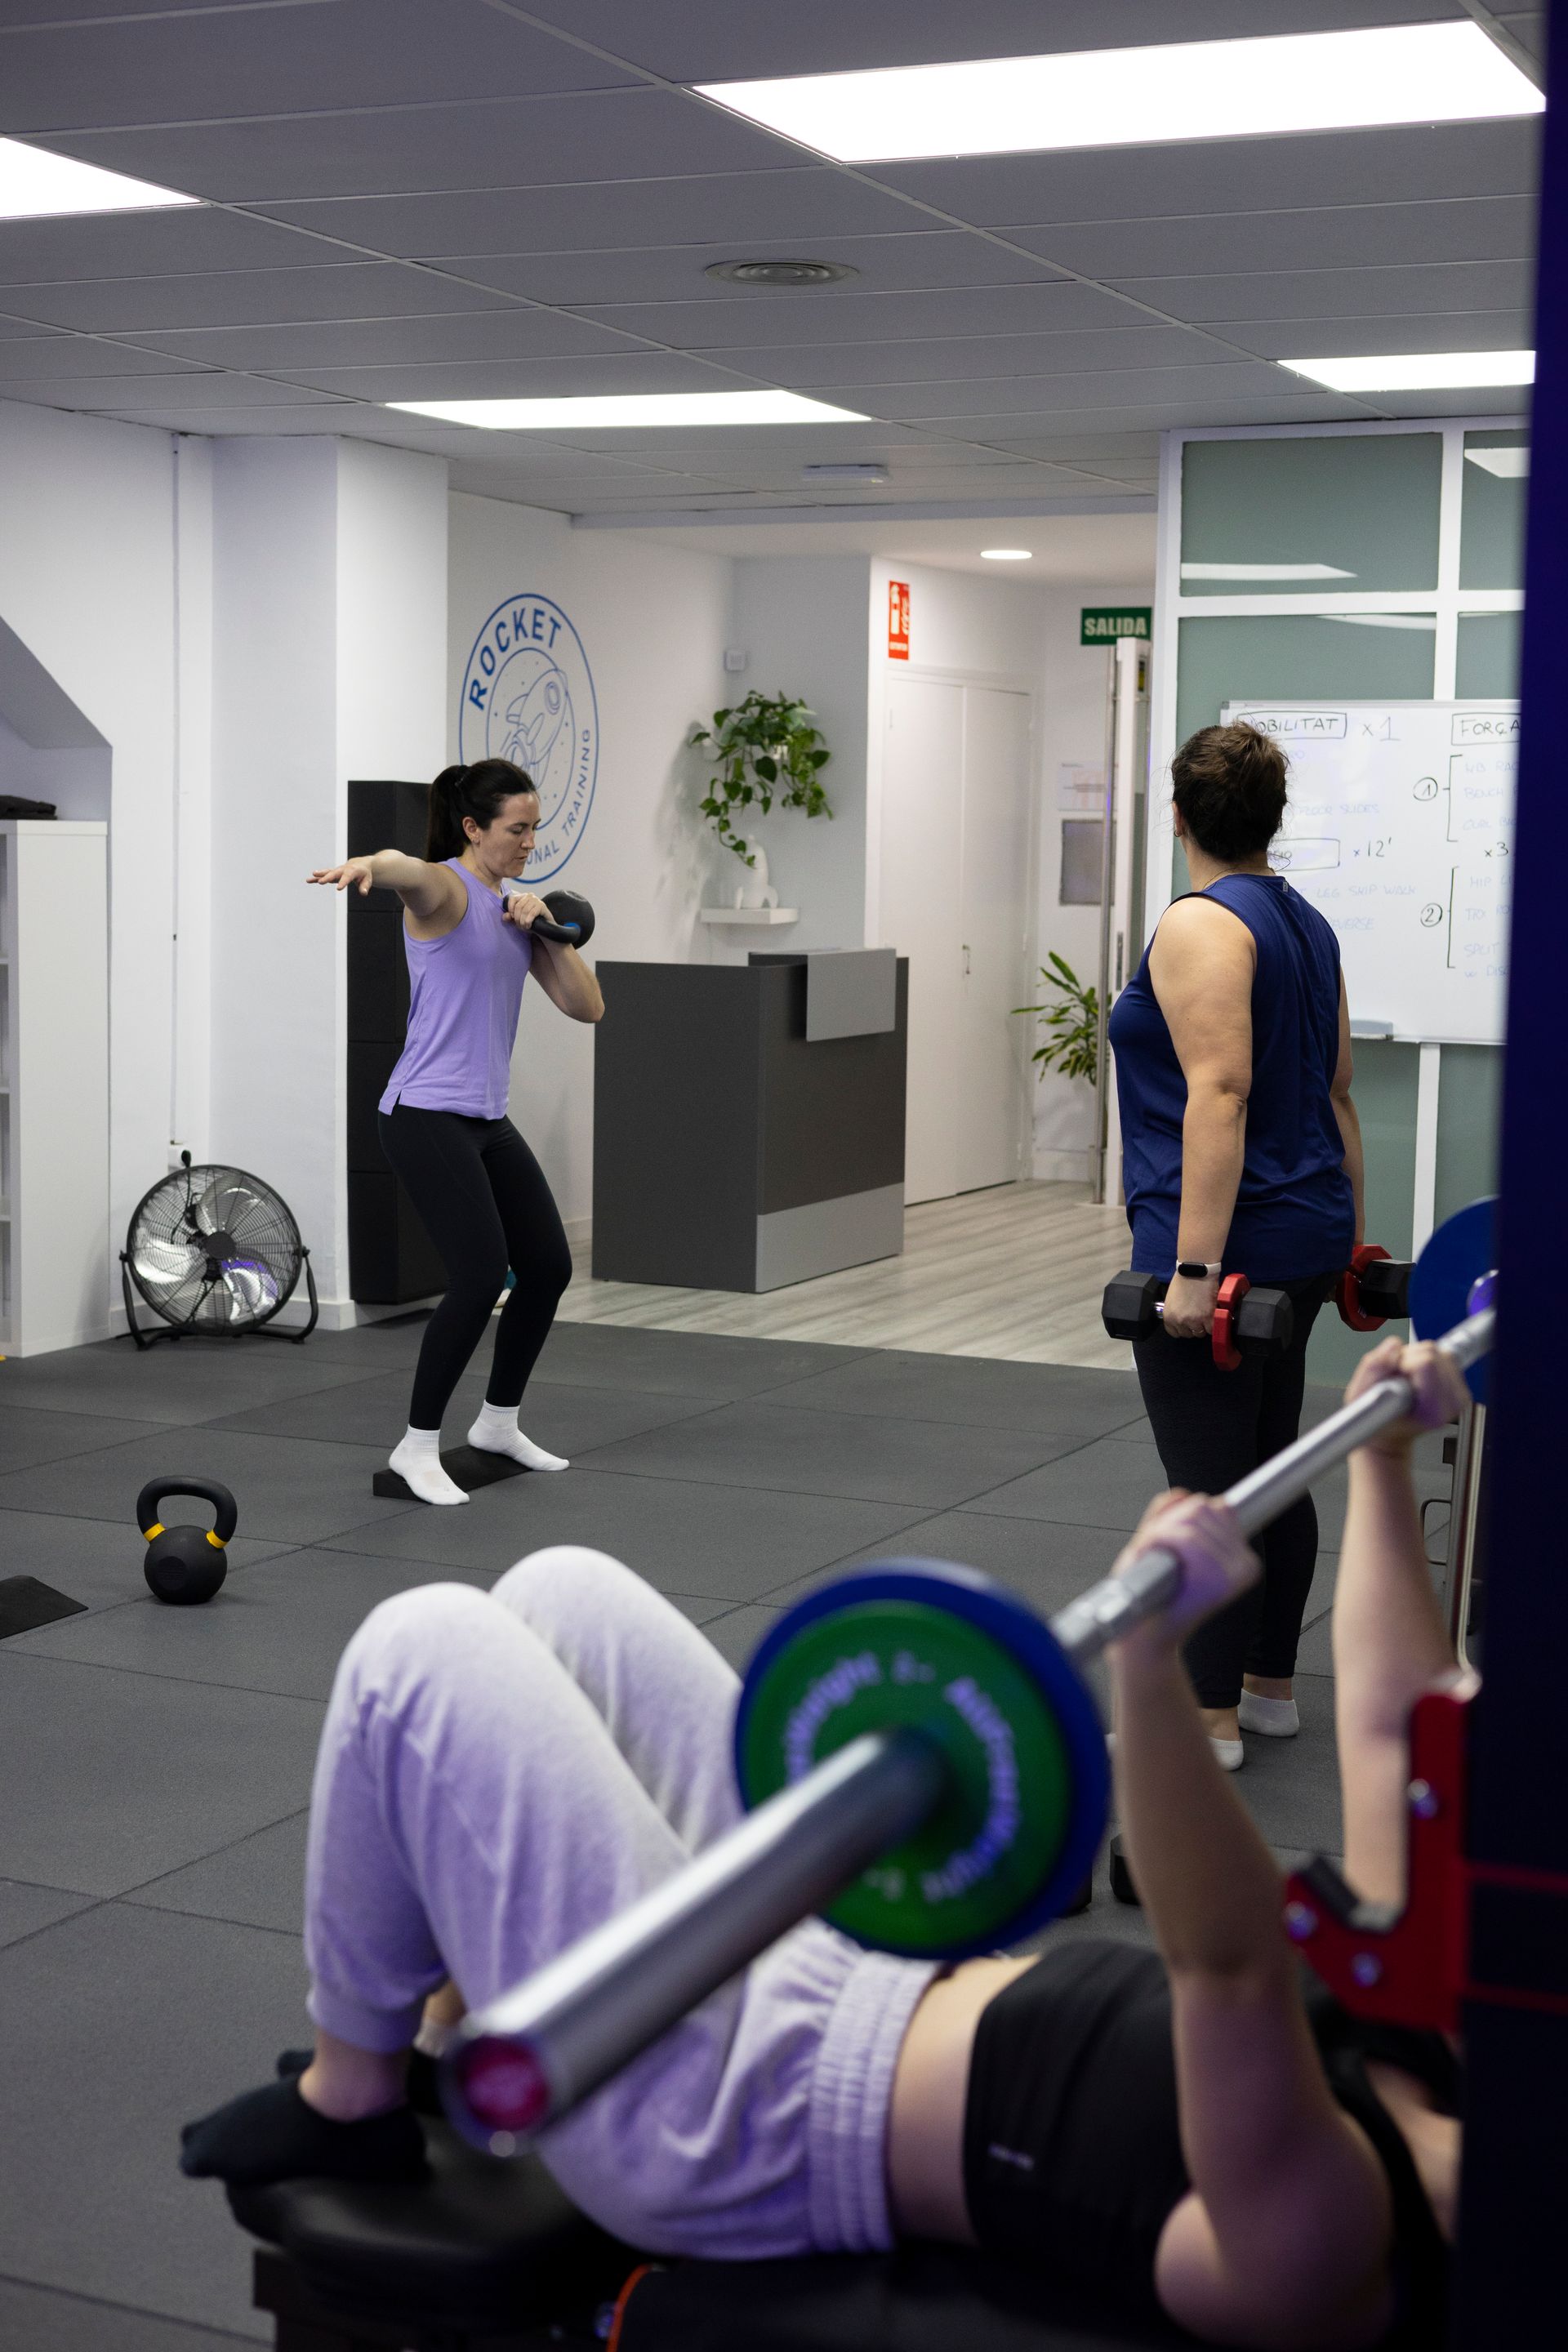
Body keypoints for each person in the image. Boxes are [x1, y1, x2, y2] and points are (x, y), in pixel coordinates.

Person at [182, 1338, 1463, 2350]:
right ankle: (448, 2022)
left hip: (744, 2108)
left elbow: (1227, 1967)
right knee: (560, 1592)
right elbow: (1398, 1738)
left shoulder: (1331, 2256)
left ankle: (349, 2099)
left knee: (421, 1651)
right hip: (876, 1949)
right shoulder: (1444, 2048)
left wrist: (1148, 1665)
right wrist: (1384, 1466)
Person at [1107, 721, 1363, 1767]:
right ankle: (1267, 1687)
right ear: (1273, 820)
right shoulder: (1308, 925)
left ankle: (1208, 1721)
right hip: (1303, 1231)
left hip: (1226, 1244)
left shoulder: (1201, 926)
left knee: (1205, 1491)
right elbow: (1340, 1091)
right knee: (1270, 1468)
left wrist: (1195, 1276)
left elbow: (1220, 1089)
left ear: (1178, 819)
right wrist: (1353, 1225)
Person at [309, 760, 603, 1507]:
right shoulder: (447, 890)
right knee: (479, 1274)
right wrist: (366, 863)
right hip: (422, 1113)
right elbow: (404, 868)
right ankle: (415, 1446)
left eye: (535, 827)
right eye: (517, 828)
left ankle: (498, 1424)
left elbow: (588, 1008)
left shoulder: (513, 911)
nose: (531, 841)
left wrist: (547, 932)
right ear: (474, 828)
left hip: (483, 1119)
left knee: (547, 1267)